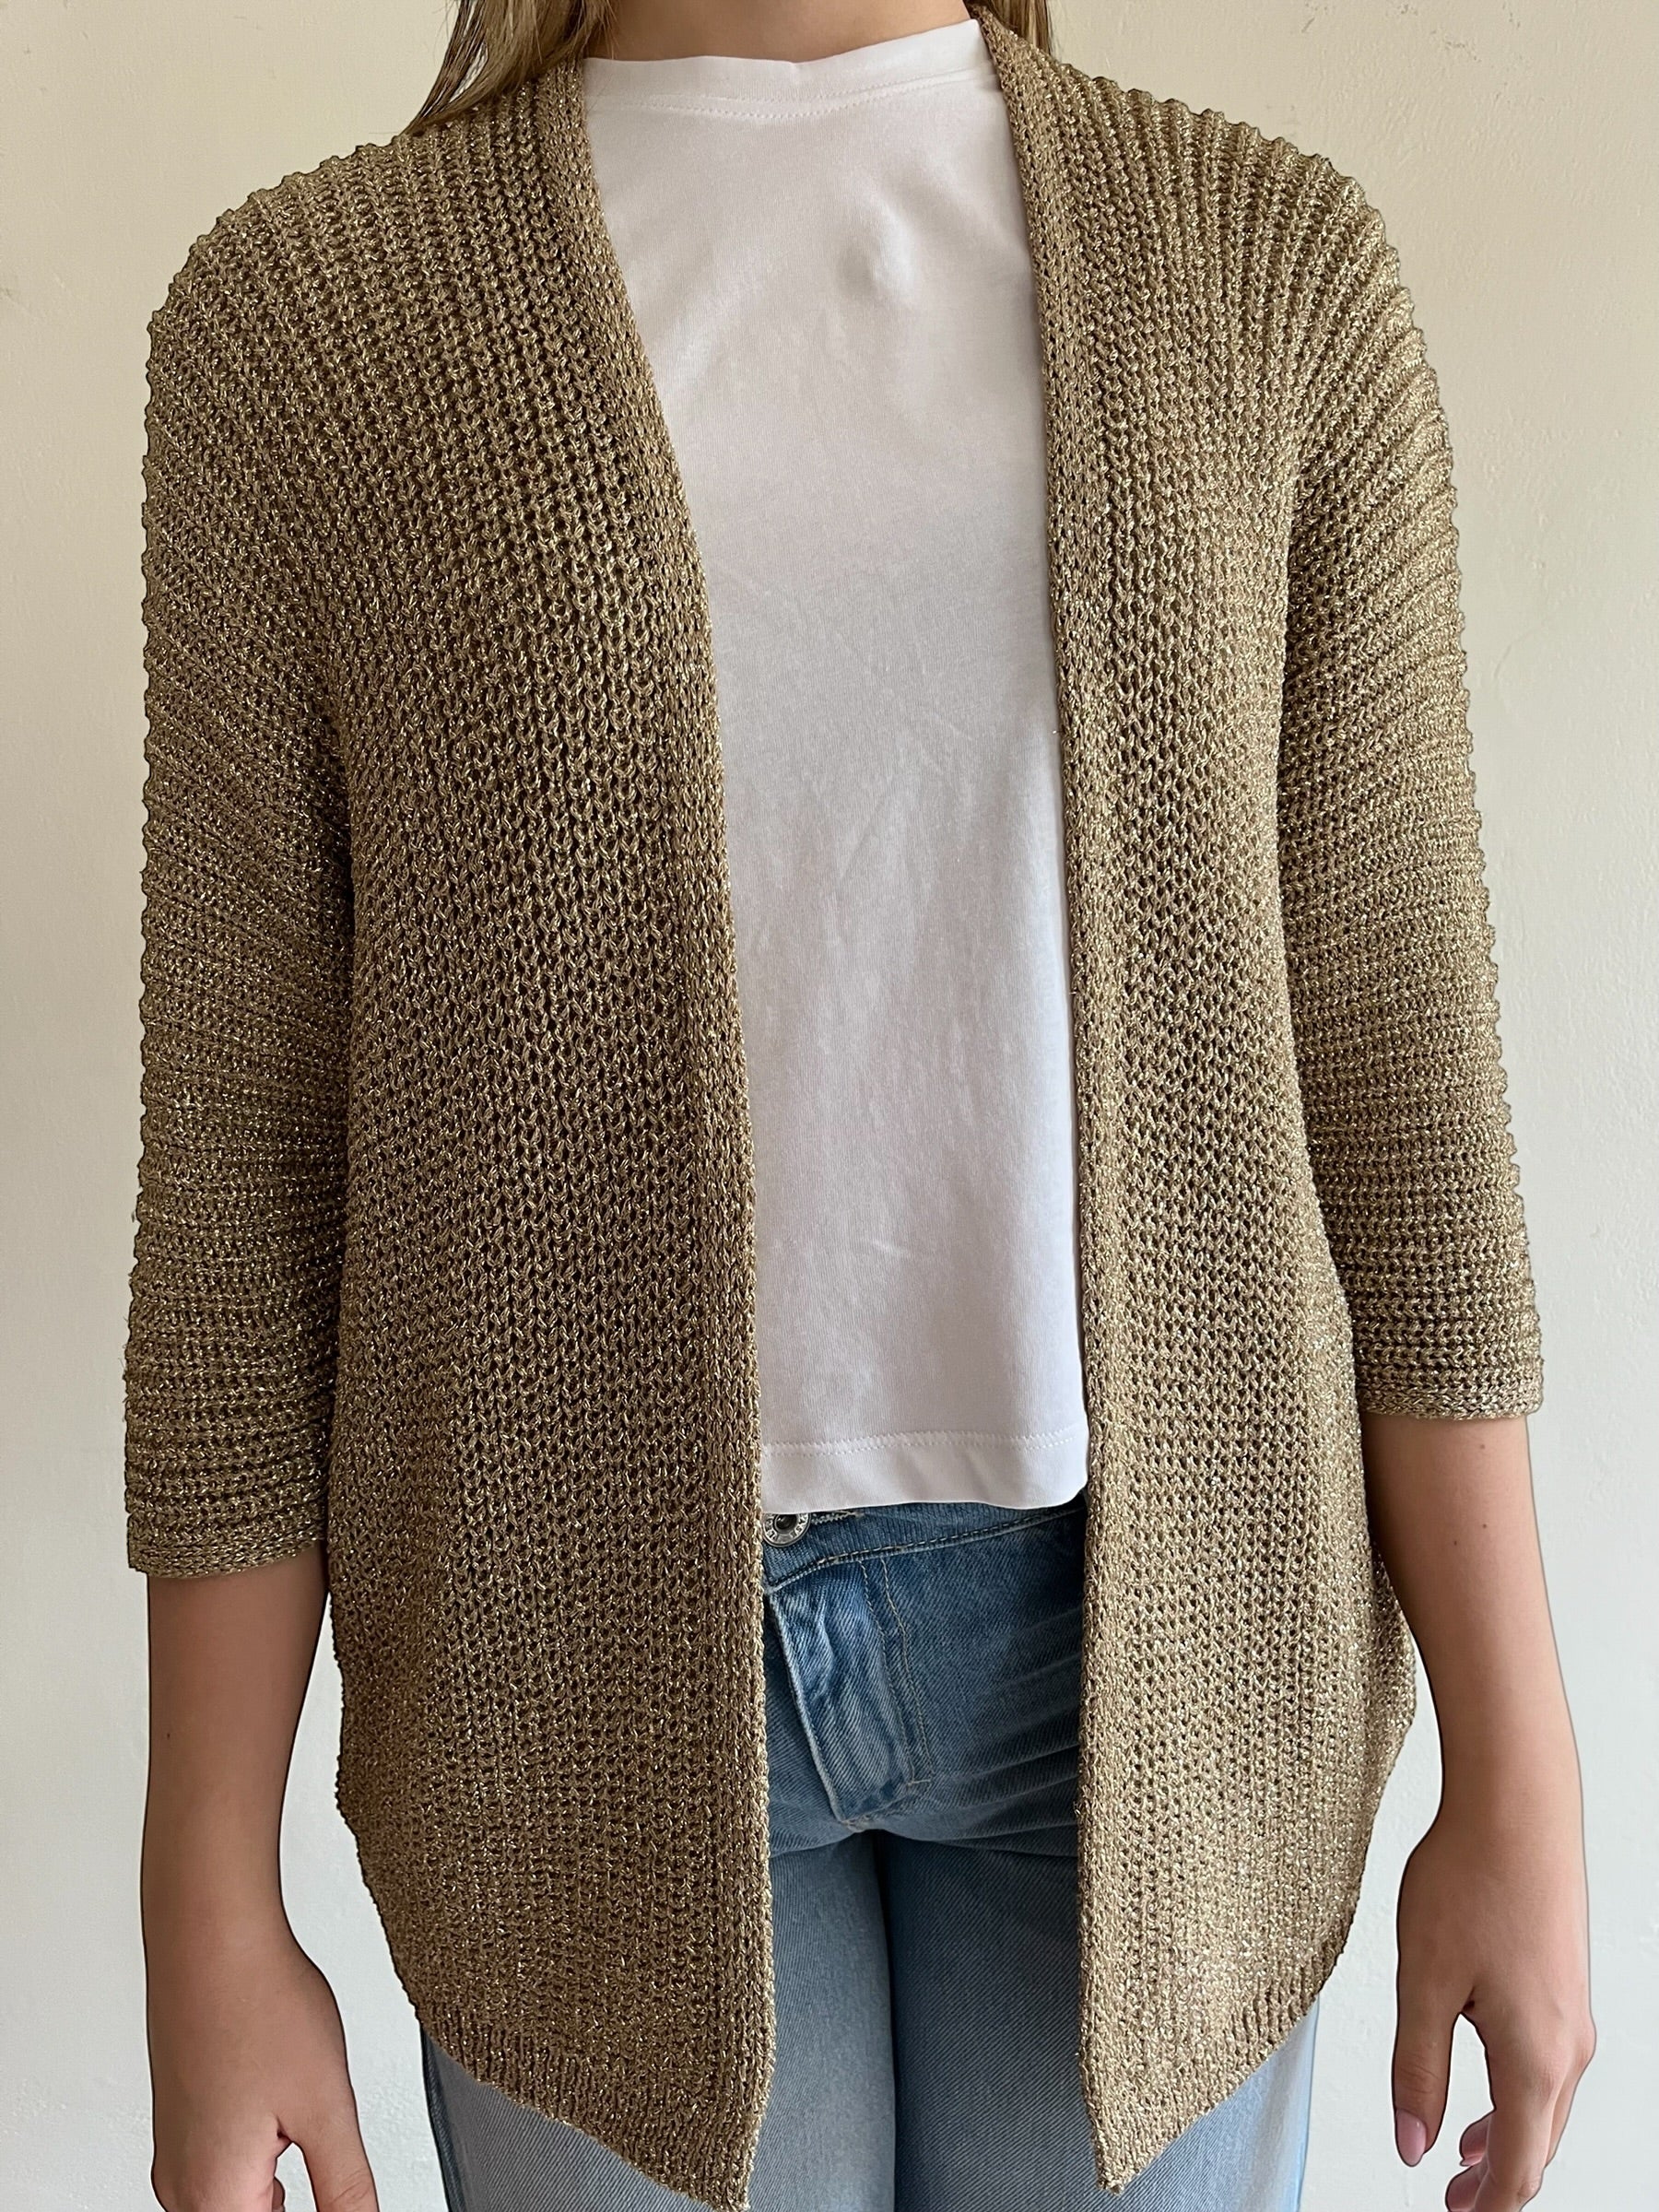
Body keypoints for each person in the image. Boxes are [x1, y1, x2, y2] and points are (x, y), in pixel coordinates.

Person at [125, 2, 1594, 2209]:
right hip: (561, 1686)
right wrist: (206, 1886)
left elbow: (1394, 1064)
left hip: (1165, 1669)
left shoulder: (1268, 268)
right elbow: (250, 1157)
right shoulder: (309, 329)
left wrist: (1520, 1758)